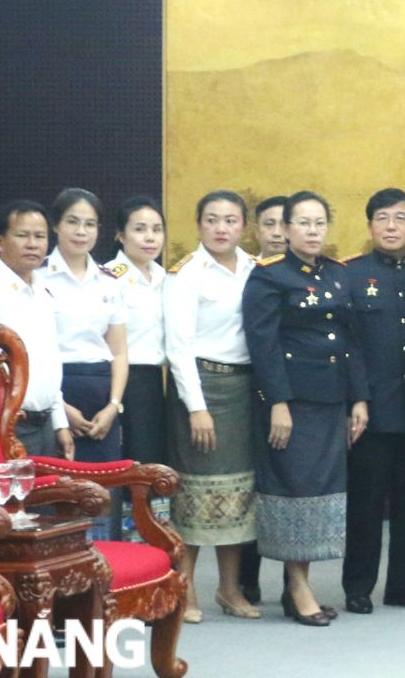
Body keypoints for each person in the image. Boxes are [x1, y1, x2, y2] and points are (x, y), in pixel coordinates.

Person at [241, 190, 369, 627]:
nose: (313, 231)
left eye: (320, 223)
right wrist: (277, 402)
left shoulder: (337, 274)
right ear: (286, 229)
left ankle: (301, 584)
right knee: (294, 490)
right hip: (291, 404)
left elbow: (350, 341)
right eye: (303, 223)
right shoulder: (269, 277)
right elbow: (264, 346)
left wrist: (359, 399)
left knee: (319, 494)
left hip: (330, 401)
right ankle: (297, 587)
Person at [339, 188, 405, 615]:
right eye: (383, 218)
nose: (392, 226)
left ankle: (403, 585)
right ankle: (358, 586)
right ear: (370, 226)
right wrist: (356, 398)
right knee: (365, 504)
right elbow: (346, 344)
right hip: (371, 411)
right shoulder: (350, 274)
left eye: (400, 218)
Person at [164, 189, 260, 622]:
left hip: (243, 392)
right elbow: (179, 348)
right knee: (195, 492)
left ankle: (229, 588)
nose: (222, 228)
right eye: (212, 220)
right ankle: (185, 590)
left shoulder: (255, 270)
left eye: (231, 220)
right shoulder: (186, 275)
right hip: (201, 388)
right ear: (199, 225)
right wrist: (196, 407)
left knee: (237, 492)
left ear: (244, 226)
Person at [40, 188, 131, 540]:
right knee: (61, 493)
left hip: (102, 395)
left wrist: (113, 405)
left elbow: (120, 352)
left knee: (104, 493)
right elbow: (32, 352)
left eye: (90, 224)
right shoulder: (39, 276)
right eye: (73, 222)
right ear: (56, 226)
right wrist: (60, 407)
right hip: (57, 393)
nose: (81, 232)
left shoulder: (109, 281)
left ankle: (107, 580)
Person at [0, 200, 75, 459]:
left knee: (47, 499)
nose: (33, 244)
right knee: (14, 500)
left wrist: (59, 422)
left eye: (40, 236)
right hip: (8, 426)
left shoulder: (43, 292)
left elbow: (47, 362)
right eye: (22, 235)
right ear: (0, 242)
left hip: (45, 425)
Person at [237, 193, 290, 603]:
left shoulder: (312, 274)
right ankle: (245, 578)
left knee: (289, 485)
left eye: (283, 224)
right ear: (256, 230)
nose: (278, 232)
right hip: (245, 390)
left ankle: (295, 583)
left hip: (292, 395)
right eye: (269, 224)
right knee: (250, 485)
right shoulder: (243, 271)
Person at [108, 197, 171, 473]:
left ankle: (150, 516)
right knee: (131, 458)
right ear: (121, 235)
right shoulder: (109, 278)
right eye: (140, 229)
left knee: (155, 459)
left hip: (155, 380)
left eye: (157, 230)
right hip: (121, 379)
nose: (150, 238)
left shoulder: (164, 277)